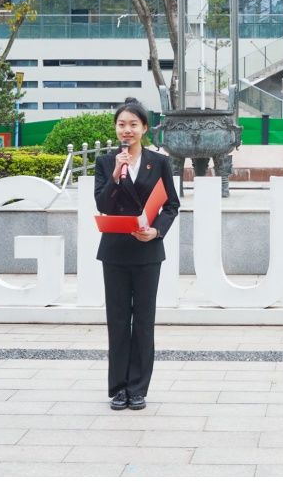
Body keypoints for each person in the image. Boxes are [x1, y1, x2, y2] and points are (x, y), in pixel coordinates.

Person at [93, 98, 180, 410]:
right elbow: (103, 204)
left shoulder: (159, 162)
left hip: (147, 251)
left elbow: (171, 205)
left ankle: (138, 388)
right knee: (117, 321)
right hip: (115, 251)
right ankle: (118, 388)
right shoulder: (106, 163)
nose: (126, 130)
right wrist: (117, 175)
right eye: (121, 124)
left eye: (133, 124)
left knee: (143, 321)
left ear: (144, 128)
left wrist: (156, 231)